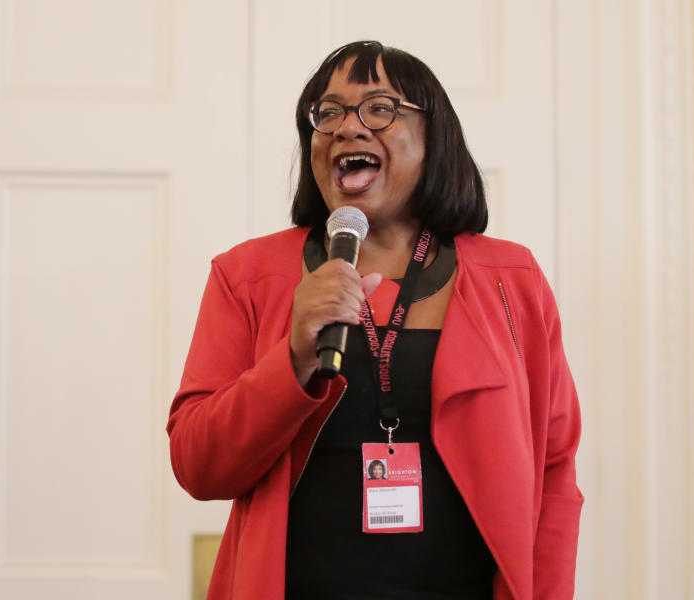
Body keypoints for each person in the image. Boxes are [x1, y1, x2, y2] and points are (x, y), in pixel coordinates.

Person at [167, 40, 582, 599]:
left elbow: (554, 477)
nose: (348, 128)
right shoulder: (247, 276)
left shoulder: (512, 279)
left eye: (380, 109)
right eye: (328, 112)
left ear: (434, 139)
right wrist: (291, 359)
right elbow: (198, 465)